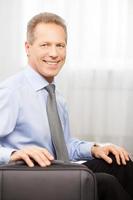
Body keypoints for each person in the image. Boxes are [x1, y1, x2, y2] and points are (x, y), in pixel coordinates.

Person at [0, 12, 133, 200]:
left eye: (60, 45)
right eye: (45, 45)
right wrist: (14, 153)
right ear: (28, 48)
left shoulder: (56, 97)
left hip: (57, 169)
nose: (54, 53)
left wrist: (95, 148)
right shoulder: (11, 91)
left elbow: (64, 146)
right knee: (104, 183)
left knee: (122, 163)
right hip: (28, 176)